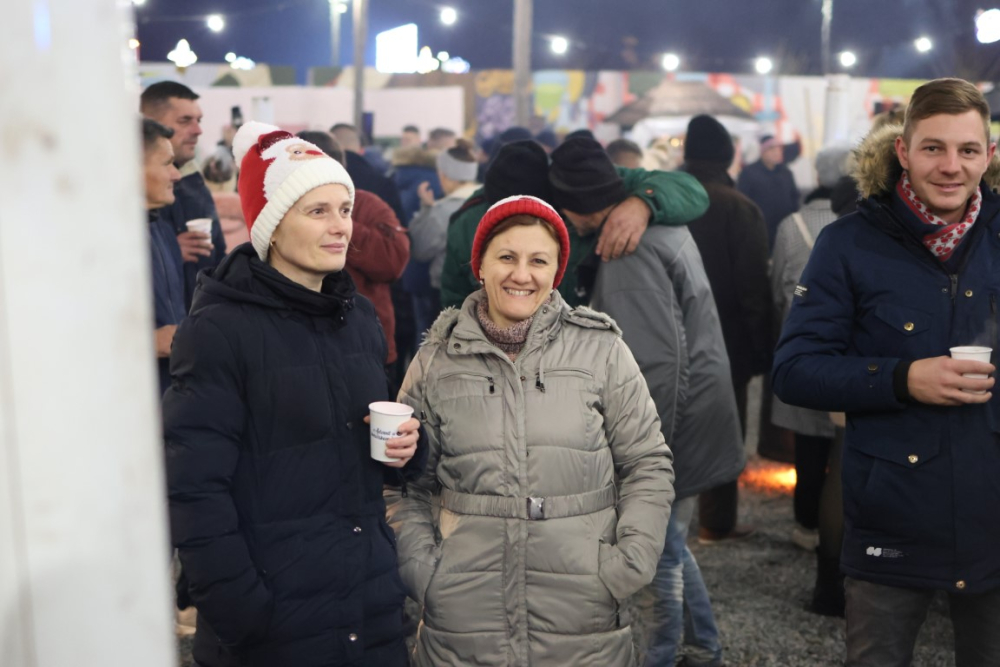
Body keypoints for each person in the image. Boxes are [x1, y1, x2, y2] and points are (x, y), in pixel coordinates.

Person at [164, 122, 425, 667]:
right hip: (273, 623)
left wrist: (408, 449)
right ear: (271, 226)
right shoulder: (218, 330)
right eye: (318, 211)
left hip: (365, 605)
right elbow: (192, 490)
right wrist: (242, 611)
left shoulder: (358, 321)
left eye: (345, 209)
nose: (342, 228)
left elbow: (363, 452)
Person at [387, 195, 675, 665]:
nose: (522, 275)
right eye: (506, 257)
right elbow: (403, 483)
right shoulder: (437, 360)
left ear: (557, 271)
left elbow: (647, 461)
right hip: (463, 614)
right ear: (479, 264)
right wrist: (423, 569)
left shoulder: (599, 349)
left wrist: (628, 562)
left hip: (583, 610)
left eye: (538, 260)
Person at [773, 78, 1000, 666]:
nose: (951, 166)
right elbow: (795, 371)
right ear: (902, 151)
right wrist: (902, 379)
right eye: (933, 148)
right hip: (889, 524)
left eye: (967, 150)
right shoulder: (847, 242)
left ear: (989, 155)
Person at [577, 149, 744, 665]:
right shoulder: (654, 225)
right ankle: (704, 647)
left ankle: (662, 655)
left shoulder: (627, 246)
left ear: (587, 208)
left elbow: (654, 362)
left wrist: (648, 456)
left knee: (656, 548)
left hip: (672, 418)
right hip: (699, 403)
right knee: (670, 540)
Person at [440, 137, 711, 309]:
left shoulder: (590, 180)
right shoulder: (468, 223)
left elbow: (692, 190)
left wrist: (643, 203)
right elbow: (454, 299)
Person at [680, 115, 772, 544]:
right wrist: (764, 349)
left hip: (669, 334)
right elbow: (754, 286)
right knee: (725, 427)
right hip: (726, 340)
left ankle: (662, 520)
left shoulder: (662, 204)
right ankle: (716, 522)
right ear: (729, 156)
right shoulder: (737, 207)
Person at [298, 130, 411, 368]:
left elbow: (393, 262)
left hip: (366, 347)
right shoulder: (285, 212)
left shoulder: (368, 205)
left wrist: (340, 222)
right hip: (302, 343)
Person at [141, 81, 227, 309]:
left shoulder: (192, 181)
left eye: (198, 120)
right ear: (153, 124)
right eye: (185, 121)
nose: (198, 130)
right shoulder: (125, 205)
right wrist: (167, 253)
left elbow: (219, 255)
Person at [142, 118, 184, 395]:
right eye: (166, 163)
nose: (176, 174)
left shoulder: (162, 230)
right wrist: (147, 342)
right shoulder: (93, 245)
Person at [408, 139, 480, 292]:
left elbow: (420, 250)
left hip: (448, 292)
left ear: (445, 175)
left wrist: (426, 210)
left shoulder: (443, 211)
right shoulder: (490, 202)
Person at [737, 134, 800, 251]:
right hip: (759, 233)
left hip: (785, 232)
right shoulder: (749, 173)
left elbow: (794, 199)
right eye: (771, 149)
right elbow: (742, 203)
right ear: (762, 151)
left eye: (778, 148)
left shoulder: (786, 173)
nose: (776, 152)